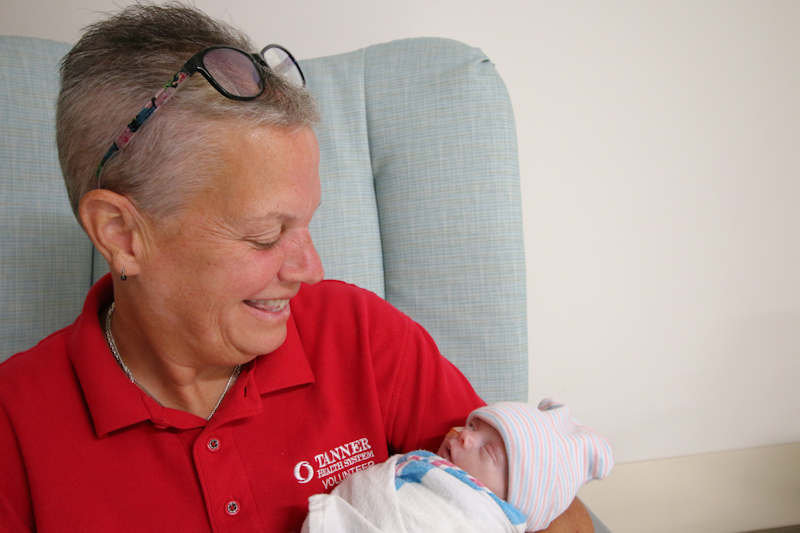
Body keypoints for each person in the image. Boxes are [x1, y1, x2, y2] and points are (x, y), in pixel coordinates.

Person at [0, 3, 593, 532]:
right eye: (265, 235)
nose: (311, 269)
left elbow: (545, 509)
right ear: (122, 234)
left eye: (308, 223)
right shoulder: (16, 431)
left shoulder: (361, 336)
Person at [302, 400, 613, 533]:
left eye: (488, 450)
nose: (464, 437)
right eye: (473, 426)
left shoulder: (487, 518)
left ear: (517, 497)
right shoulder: (430, 471)